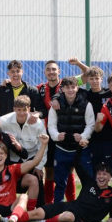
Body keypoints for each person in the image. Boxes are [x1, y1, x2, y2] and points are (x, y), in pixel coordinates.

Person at [27, 147, 112, 222]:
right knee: (38, 212)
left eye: (105, 174)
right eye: (99, 174)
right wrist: (80, 147)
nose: (101, 176)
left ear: (110, 177)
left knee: (67, 217)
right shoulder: (89, 182)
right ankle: (15, 218)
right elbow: (77, 163)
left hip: (80, 217)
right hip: (69, 205)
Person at [0, 108, 39, 206]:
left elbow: (25, 155)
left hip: (8, 176)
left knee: (33, 179)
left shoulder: (6, 137)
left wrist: (18, 146)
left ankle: (29, 214)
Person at [36, 59, 78, 204]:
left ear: (59, 71)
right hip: (48, 135)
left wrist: (78, 63)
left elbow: (87, 75)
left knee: (69, 170)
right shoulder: (40, 88)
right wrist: (6, 83)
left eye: (54, 69)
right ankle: (49, 206)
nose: (51, 72)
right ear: (45, 72)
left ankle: (72, 203)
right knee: (49, 172)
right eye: (48, 69)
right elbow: (23, 91)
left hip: (67, 133)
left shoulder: (68, 85)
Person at [47, 76, 94, 203]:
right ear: (62, 89)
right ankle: (57, 210)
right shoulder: (55, 105)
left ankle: (87, 206)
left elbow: (91, 124)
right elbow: (51, 125)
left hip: (81, 149)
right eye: (67, 88)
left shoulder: (86, 104)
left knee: (88, 181)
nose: (70, 90)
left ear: (77, 88)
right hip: (62, 149)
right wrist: (56, 136)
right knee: (60, 182)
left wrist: (83, 137)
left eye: (73, 87)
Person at [0, 95, 47, 208]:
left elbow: (43, 146)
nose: (21, 113)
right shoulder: (4, 120)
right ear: (14, 109)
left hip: (31, 159)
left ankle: (38, 211)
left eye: (24, 110)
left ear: (29, 109)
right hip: (11, 160)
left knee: (37, 178)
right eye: (18, 110)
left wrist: (39, 166)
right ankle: (2, 207)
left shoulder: (38, 123)